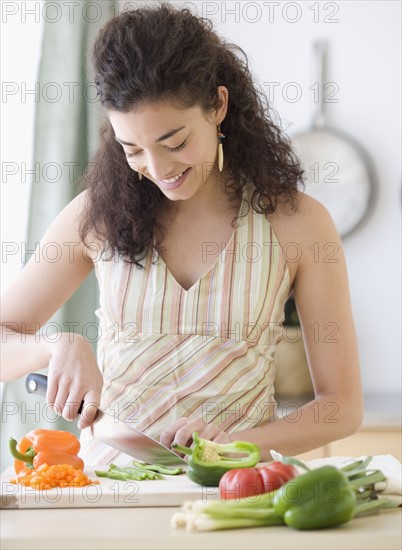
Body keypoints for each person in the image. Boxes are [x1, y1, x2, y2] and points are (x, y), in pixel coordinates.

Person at [0, 2, 363, 463]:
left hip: (235, 492)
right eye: (133, 149)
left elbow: (342, 408)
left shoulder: (299, 224)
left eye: (175, 143)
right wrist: (56, 346)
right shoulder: (95, 217)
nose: (157, 169)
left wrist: (231, 446)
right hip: (111, 500)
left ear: (218, 106)